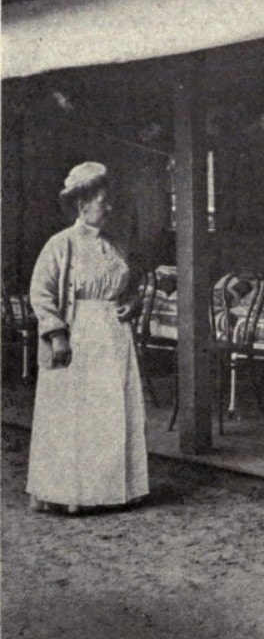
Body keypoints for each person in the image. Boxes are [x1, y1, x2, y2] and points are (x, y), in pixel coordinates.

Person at [26, 162, 149, 514]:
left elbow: (131, 286)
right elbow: (41, 292)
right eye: (103, 201)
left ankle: (111, 491)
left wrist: (132, 303)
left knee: (112, 412)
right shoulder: (60, 245)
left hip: (114, 336)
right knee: (78, 415)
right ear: (82, 204)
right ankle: (73, 493)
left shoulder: (115, 246)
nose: (109, 208)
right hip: (78, 335)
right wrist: (57, 334)